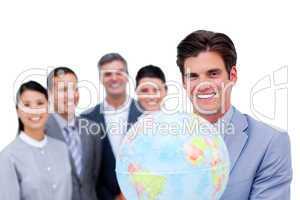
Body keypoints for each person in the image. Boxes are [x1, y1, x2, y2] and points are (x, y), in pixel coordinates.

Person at [176, 30, 292, 199]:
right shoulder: (161, 141)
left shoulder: (270, 142)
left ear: (233, 75)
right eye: (193, 76)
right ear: (183, 82)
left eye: (213, 74)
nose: (203, 85)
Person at [81, 53, 142, 200]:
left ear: (127, 76)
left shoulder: (146, 115)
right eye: (108, 74)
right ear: (101, 79)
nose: (114, 78)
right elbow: (88, 169)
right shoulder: (87, 119)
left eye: (119, 72)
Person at [0, 81, 72, 200]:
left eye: (40, 103)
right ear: (18, 111)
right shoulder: (8, 156)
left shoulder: (62, 148)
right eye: (27, 105)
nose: (34, 110)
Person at [45, 67, 102, 200]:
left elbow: (94, 176)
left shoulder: (92, 129)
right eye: (63, 90)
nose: (70, 95)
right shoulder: (39, 131)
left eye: (74, 89)